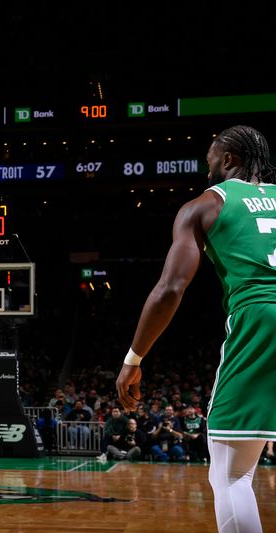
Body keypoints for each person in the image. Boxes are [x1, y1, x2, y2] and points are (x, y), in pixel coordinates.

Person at [116, 125, 276, 533]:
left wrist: (134, 358)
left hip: (261, 315)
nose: (207, 170)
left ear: (228, 161)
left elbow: (170, 289)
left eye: (210, 161)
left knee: (231, 473)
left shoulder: (206, 205)